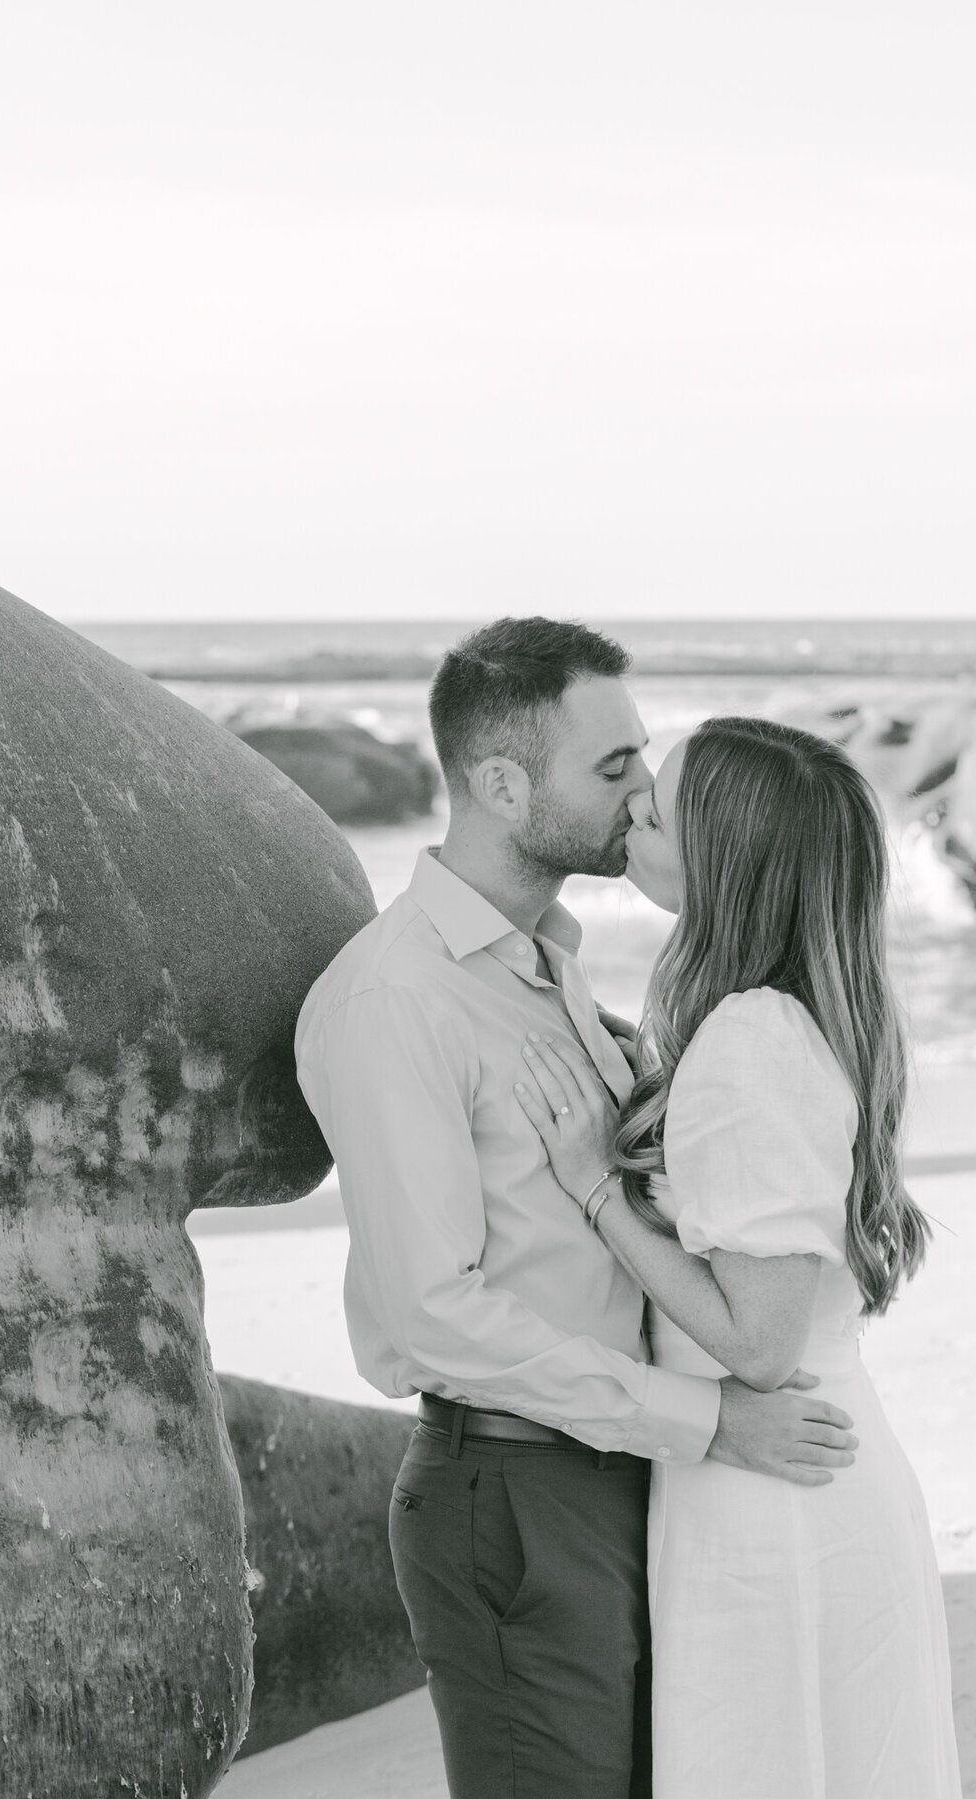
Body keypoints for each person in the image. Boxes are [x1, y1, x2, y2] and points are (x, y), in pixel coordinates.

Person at [294, 623, 859, 1799]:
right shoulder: (396, 999)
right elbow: (435, 1314)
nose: (645, 790)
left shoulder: (550, 965)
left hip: (620, 1470)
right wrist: (708, 1420)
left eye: (640, 758)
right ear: (502, 784)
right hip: (514, 1493)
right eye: (613, 767)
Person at [515, 714, 963, 1799]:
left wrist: (595, 1190)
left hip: (775, 1495)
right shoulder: (771, 1018)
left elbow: (757, 1345)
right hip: (801, 1473)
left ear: (723, 859)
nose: (631, 811)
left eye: (656, 807)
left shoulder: (751, 1040)